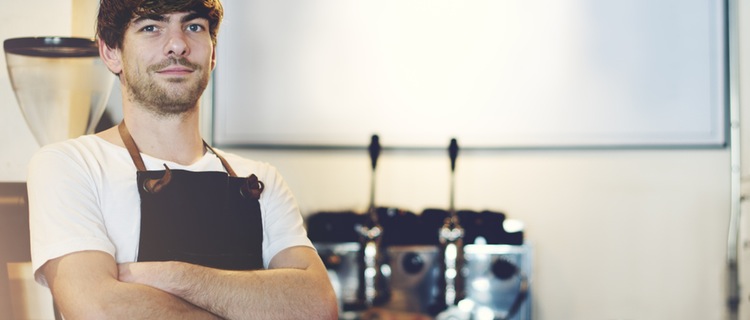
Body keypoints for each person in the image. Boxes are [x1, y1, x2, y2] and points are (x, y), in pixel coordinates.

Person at [26, 0, 338, 318]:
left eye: (193, 27)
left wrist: (172, 276)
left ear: (213, 52)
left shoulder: (263, 178)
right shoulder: (70, 165)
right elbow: (98, 309)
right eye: (151, 27)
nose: (177, 44)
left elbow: (317, 306)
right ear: (111, 52)